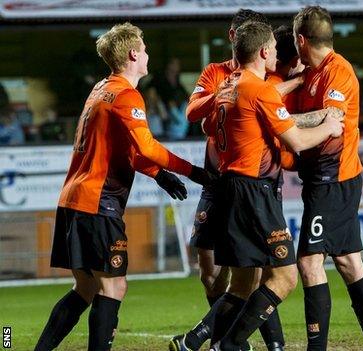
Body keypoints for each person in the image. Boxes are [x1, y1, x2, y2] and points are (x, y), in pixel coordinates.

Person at [34, 22, 209, 351]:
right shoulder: (128, 94)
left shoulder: (102, 88)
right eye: (143, 48)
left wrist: (159, 175)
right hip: (98, 203)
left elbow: (125, 150)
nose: (147, 53)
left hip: (74, 199)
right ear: (132, 54)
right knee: (113, 288)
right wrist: (191, 171)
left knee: (86, 287)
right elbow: (146, 146)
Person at [208, 20, 343, 351]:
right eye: (275, 50)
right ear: (265, 51)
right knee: (285, 277)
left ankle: (215, 343)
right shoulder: (258, 89)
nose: (279, 57)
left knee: (242, 283)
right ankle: (231, 343)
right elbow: (296, 140)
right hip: (254, 191)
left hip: (230, 188)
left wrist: (297, 86)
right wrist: (330, 126)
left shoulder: (228, 86)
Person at [169, 10, 287, 351]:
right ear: (232, 35)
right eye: (234, 33)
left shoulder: (268, 76)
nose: (236, 38)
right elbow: (193, 113)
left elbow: (278, 111)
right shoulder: (216, 73)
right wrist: (217, 95)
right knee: (211, 272)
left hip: (255, 183)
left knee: (261, 269)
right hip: (217, 183)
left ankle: (258, 343)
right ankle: (225, 339)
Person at [292, 6, 363, 350]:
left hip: (333, 180)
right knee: (350, 262)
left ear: (302, 40)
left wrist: (281, 121)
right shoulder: (310, 73)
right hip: (326, 179)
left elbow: (332, 117)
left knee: (308, 261)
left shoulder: (339, 71)